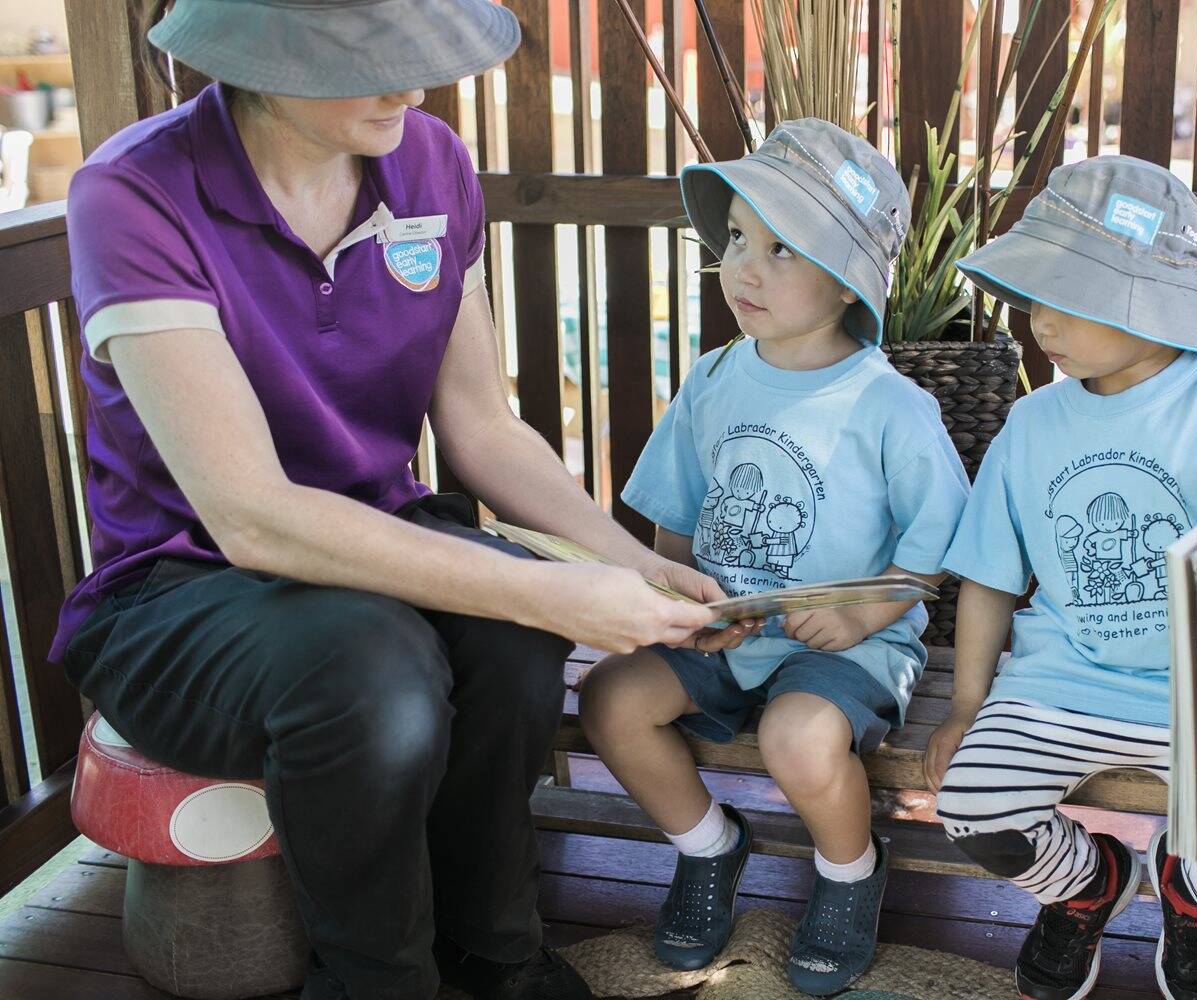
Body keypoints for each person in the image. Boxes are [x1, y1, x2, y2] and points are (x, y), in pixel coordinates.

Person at [54, 2, 738, 998]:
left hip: (376, 539)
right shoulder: (133, 192)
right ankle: (376, 976)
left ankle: (493, 951)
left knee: (513, 639)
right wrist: (541, 589)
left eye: (420, 56)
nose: (411, 86)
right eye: (369, 58)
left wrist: (618, 559)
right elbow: (249, 514)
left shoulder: (431, 163)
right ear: (261, 55)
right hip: (175, 588)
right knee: (383, 673)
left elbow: (483, 429)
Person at [925, 156, 1197, 1000]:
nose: (1037, 319)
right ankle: (1090, 885)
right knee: (974, 808)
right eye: (1032, 294)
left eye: (1064, 296)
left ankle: (1186, 892)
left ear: (1152, 305)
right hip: (1061, 685)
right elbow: (989, 577)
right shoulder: (1032, 421)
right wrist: (964, 707)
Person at [578, 119, 971, 996]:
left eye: (784, 250)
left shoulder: (887, 404)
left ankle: (849, 874)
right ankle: (710, 847)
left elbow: (941, 538)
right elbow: (675, 516)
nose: (744, 269)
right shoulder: (716, 376)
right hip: (730, 632)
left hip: (851, 642)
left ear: (847, 289)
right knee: (610, 698)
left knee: (800, 738)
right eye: (737, 242)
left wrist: (865, 614)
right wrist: (684, 602)